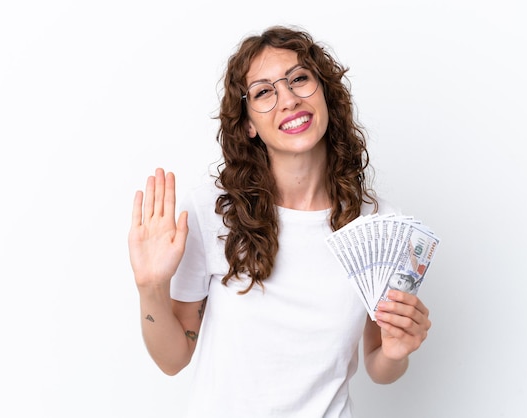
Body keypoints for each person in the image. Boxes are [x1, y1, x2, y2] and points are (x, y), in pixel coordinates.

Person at [128, 25, 432, 417]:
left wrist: (396, 351)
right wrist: (151, 288)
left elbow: (379, 365)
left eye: (299, 79)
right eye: (264, 91)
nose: (287, 99)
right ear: (249, 123)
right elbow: (173, 359)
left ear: (324, 92)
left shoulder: (379, 226)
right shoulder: (212, 212)